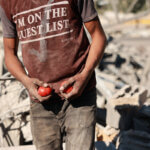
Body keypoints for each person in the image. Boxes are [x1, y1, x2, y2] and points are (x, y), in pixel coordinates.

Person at [0, 0, 106, 149]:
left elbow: (99, 36)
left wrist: (85, 75)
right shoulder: (8, 2)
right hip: (41, 102)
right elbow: (9, 54)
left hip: (80, 95)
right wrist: (26, 81)